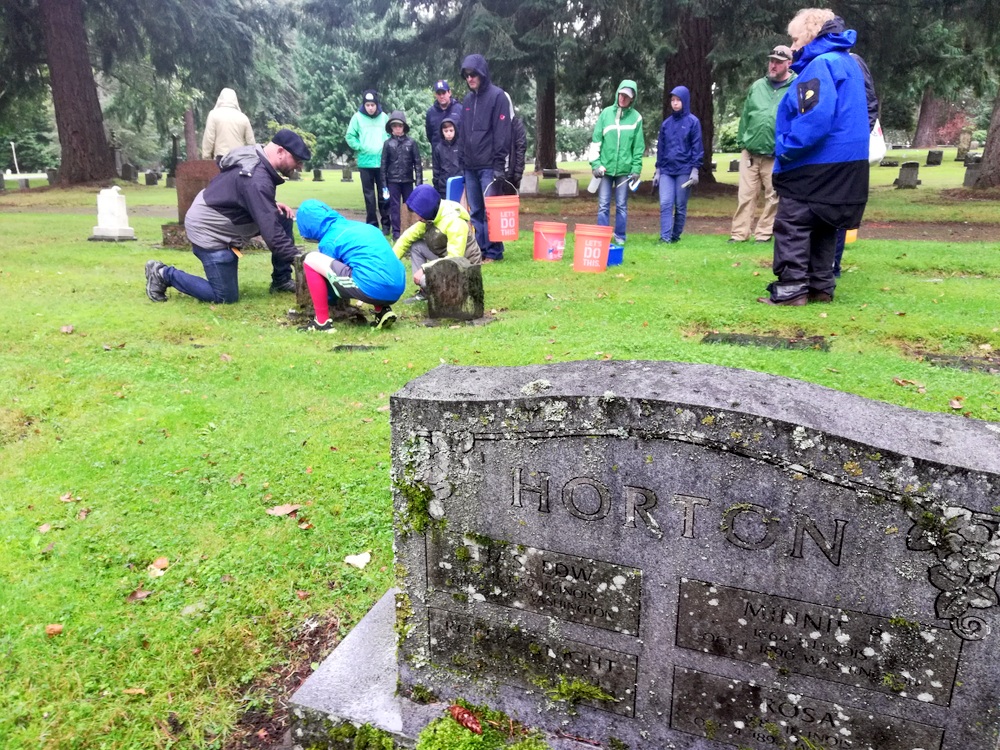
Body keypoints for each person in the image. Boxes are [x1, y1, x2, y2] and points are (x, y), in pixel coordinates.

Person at [758, 9, 870, 305]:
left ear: (809, 35)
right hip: (849, 163)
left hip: (817, 162)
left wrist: (786, 145)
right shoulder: (849, 63)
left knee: (794, 222)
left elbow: (815, 118)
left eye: (795, 38)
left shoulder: (820, 65)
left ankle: (792, 287)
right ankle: (821, 286)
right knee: (825, 223)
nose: (793, 46)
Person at [144, 129, 310, 304]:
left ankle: (281, 280)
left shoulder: (255, 158)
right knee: (224, 296)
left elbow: (239, 190)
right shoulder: (256, 178)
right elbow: (273, 236)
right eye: (297, 160)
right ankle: (162, 273)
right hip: (209, 231)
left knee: (281, 216)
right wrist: (302, 262)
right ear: (280, 152)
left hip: (220, 215)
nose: (299, 166)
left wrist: (268, 205)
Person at [295, 199, 405, 331]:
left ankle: (322, 322)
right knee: (365, 265)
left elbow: (329, 279)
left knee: (311, 259)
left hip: (372, 287)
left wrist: (330, 300)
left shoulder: (330, 241)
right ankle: (382, 310)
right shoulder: (361, 226)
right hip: (398, 285)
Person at [728, 46, 797, 244]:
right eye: (771, 61)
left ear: (788, 64)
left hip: (776, 154)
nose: (773, 65)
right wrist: (742, 141)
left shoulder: (796, 86)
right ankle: (739, 234)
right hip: (750, 152)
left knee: (773, 197)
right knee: (745, 195)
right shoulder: (758, 86)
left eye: (778, 62)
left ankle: (764, 234)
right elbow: (746, 115)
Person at [457, 54, 512, 263]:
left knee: (491, 211)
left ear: (482, 74)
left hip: (489, 165)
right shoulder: (468, 100)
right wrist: (462, 161)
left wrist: (499, 164)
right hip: (470, 165)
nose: (470, 79)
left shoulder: (498, 97)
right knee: (476, 211)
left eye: (473, 74)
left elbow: (502, 132)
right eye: (466, 75)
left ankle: (494, 252)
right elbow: (462, 131)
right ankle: (480, 250)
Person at [393, 184, 481, 303]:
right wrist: (390, 262)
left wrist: (425, 269)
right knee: (417, 246)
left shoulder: (455, 222)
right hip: (446, 259)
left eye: (419, 213)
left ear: (428, 208)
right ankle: (425, 293)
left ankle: (439, 290)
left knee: (425, 279)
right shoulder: (433, 214)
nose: (418, 217)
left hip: (465, 266)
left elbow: (454, 259)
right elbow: (406, 237)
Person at [589, 80, 645, 246]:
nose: (623, 98)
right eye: (621, 94)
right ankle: (602, 236)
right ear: (617, 94)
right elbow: (596, 141)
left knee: (621, 205)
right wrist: (595, 165)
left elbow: (638, 147)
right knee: (603, 204)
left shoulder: (636, 118)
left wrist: (636, 169)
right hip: (605, 170)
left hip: (624, 171)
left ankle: (620, 236)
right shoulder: (606, 114)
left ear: (632, 98)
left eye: (627, 96)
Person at [653, 86, 703, 244]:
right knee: (665, 203)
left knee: (680, 206)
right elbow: (661, 148)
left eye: (678, 100)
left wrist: (695, 170)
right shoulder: (666, 124)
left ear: (685, 101)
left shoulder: (693, 122)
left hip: (684, 170)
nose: (675, 103)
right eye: (673, 100)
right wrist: (658, 170)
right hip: (667, 170)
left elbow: (697, 147)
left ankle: (675, 236)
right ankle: (665, 237)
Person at [346, 90, 390, 234]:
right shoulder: (357, 118)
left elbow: (390, 134)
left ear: (377, 105)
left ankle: (386, 225)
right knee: (369, 197)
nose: (370, 108)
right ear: (364, 105)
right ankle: (372, 225)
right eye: (368, 105)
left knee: (384, 195)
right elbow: (350, 136)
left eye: (372, 105)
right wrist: (360, 147)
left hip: (382, 163)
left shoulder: (384, 117)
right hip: (365, 164)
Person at [380, 110, 423, 241]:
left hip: (407, 180)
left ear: (404, 127)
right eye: (394, 126)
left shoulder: (411, 143)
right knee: (394, 207)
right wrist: (384, 185)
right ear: (391, 128)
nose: (397, 129)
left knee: (410, 205)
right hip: (392, 180)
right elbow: (383, 165)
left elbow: (417, 163)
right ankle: (396, 233)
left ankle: (410, 230)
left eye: (399, 126)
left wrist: (419, 183)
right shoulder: (387, 144)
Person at [425, 80, 463, 188]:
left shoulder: (459, 109)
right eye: (439, 93)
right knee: (440, 189)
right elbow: (429, 134)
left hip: (457, 156)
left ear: (449, 93)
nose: (442, 96)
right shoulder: (430, 113)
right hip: (439, 157)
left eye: (444, 93)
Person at [201, 88, 255, 161]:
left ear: (220, 99)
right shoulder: (243, 118)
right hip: (239, 159)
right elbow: (251, 143)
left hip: (220, 159)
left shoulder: (213, 115)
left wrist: (206, 158)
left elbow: (209, 138)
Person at [432, 117, 462, 199]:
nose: (449, 133)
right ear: (442, 132)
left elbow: (464, 164)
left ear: (455, 130)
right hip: (443, 186)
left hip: (459, 183)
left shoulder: (460, 146)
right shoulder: (438, 148)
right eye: (446, 131)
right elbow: (436, 169)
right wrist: (436, 186)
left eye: (451, 130)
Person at [504, 92, 528, 190]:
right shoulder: (493, 123)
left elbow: (520, 148)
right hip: (495, 171)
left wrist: (518, 172)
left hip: (510, 172)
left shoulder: (516, 125)